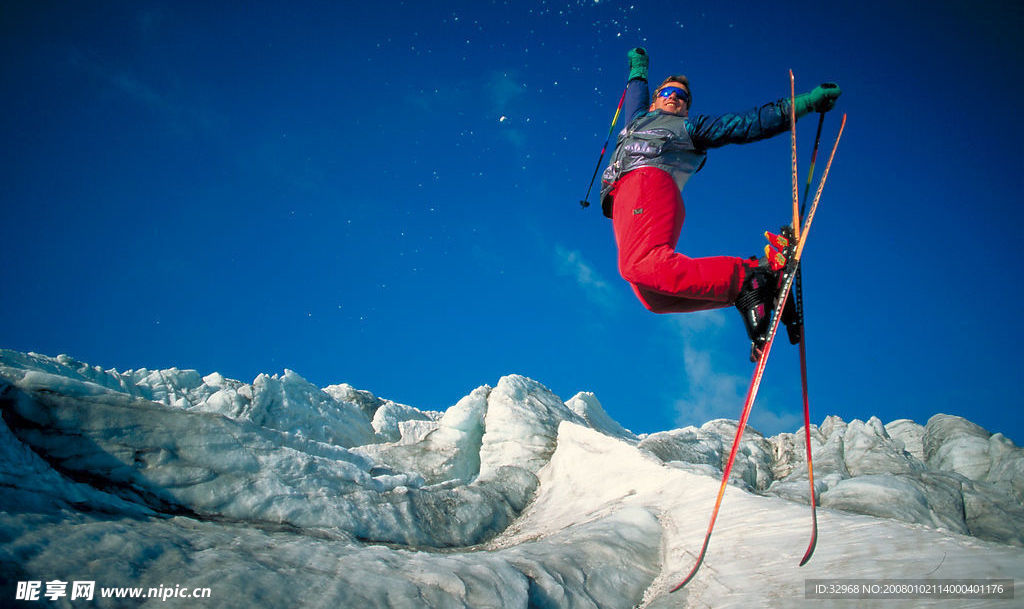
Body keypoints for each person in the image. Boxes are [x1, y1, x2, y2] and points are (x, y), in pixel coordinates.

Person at [599, 48, 841, 358]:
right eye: (668, 92)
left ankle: (746, 278)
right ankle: (760, 283)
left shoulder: (687, 128)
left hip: (649, 184)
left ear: (686, 108)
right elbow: (635, 94)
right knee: (655, 298)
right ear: (656, 98)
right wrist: (639, 68)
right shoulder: (635, 121)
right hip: (624, 201)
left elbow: (745, 124)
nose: (674, 98)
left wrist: (803, 105)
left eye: (682, 97)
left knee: (640, 264)